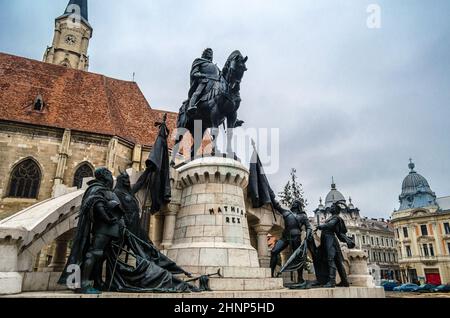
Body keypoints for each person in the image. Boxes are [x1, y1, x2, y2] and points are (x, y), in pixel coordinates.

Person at [59, 167, 125, 294]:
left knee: (102, 255)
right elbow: (97, 204)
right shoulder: (96, 188)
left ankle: (97, 281)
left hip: (110, 228)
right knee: (95, 253)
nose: (111, 178)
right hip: (103, 228)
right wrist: (108, 218)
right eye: (109, 174)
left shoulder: (103, 189)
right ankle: (83, 283)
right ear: (105, 176)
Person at [270, 199, 313, 285]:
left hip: (296, 237)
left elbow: (309, 227)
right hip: (285, 237)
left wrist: (308, 235)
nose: (293, 204)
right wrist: (270, 196)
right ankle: (271, 274)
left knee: (298, 257)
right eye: (293, 203)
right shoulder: (286, 212)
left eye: (295, 203)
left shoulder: (303, 216)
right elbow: (276, 206)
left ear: (298, 205)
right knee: (274, 251)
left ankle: (300, 278)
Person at [316, 201, 356, 288]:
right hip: (328, 239)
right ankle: (344, 281)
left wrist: (321, 226)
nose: (331, 208)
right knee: (337, 262)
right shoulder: (332, 217)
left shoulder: (336, 218)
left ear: (336, 210)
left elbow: (330, 225)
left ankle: (332, 281)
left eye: (332, 207)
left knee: (331, 259)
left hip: (330, 239)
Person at [186, 48, 221, 116]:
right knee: (197, 93)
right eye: (209, 52)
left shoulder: (214, 65)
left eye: (211, 53)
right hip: (204, 81)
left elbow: (220, 74)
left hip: (216, 82)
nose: (211, 54)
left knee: (224, 94)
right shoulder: (199, 61)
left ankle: (230, 112)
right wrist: (203, 75)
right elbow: (194, 73)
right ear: (205, 53)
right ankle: (191, 105)